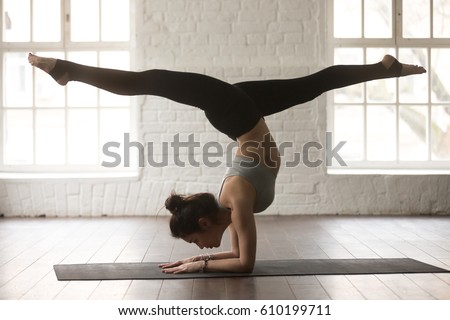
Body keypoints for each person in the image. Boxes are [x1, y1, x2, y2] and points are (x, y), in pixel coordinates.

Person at [28, 53, 426, 274]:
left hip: (236, 114)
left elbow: (241, 264)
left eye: (195, 242)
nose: (201, 245)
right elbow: (242, 262)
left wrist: (198, 263)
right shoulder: (235, 208)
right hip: (242, 113)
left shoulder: (235, 201)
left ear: (204, 223)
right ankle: (384, 69)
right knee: (311, 85)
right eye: (197, 245)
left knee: (149, 81)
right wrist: (196, 260)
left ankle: (68, 71)